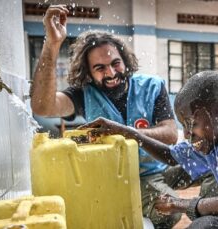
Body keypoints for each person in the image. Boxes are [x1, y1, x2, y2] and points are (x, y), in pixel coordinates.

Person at [80, 71, 218, 229]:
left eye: (192, 124)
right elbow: (171, 156)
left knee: (207, 225)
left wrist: (180, 204)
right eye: (183, 125)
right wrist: (127, 132)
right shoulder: (215, 138)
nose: (187, 133)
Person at [30, 4, 181, 228]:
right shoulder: (83, 94)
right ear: (88, 73)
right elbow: (42, 106)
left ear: (125, 60)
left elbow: (170, 134)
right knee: (159, 211)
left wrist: (126, 132)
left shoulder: (152, 86)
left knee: (188, 195)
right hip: (113, 178)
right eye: (100, 68)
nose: (111, 73)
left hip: (155, 172)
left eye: (115, 63)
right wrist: (52, 44)